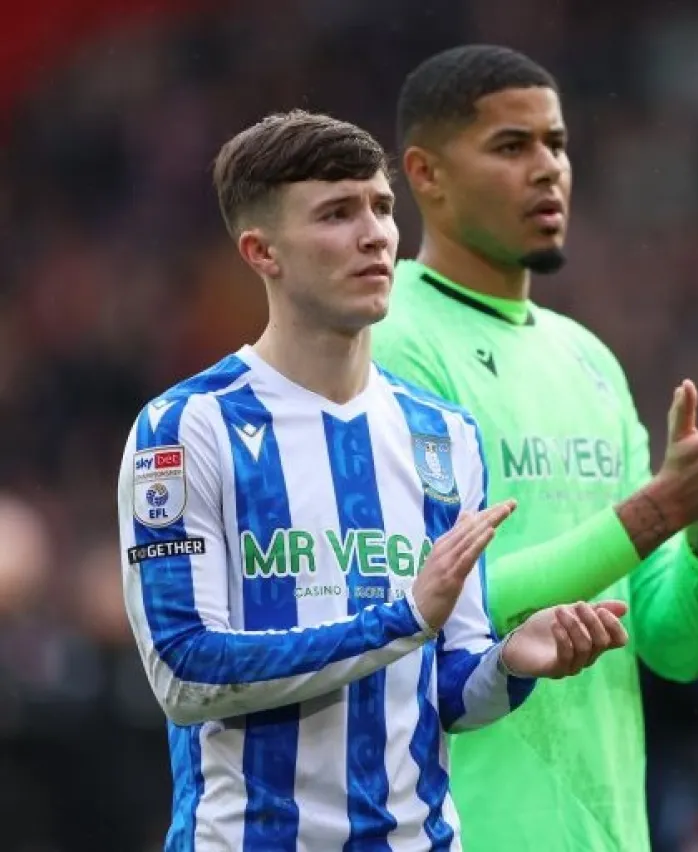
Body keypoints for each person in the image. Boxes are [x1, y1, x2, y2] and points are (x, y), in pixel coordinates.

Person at [117, 109, 628, 850]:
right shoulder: (187, 428)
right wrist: (400, 620)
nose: (376, 235)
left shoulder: (443, 435)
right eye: (337, 213)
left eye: (382, 207)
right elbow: (185, 674)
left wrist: (511, 663)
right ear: (262, 251)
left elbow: (447, 689)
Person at [370, 45, 698, 851]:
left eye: (557, 144)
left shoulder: (588, 359)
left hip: (611, 831)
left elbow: (672, 647)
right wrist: (666, 503)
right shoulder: (394, 342)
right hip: (466, 827)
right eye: (511, 145)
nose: (547, 169)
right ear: (426, 174)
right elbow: (426, 607)